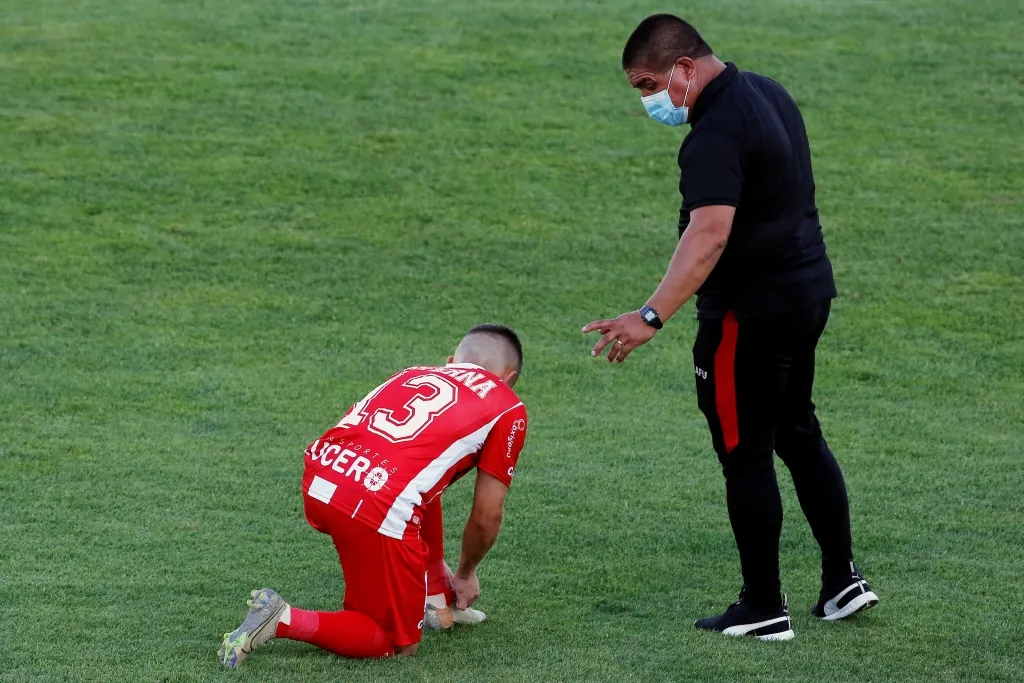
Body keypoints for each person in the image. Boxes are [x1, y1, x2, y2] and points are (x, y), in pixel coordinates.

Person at [582, 14, 878, 641]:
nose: (647, 100)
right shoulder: (767, 91)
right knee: (798, 432)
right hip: (806, 295)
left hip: (748, 316)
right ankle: (842, 582)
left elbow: (709, 232)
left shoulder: (712, 134)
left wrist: (650, 315)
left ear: (683, 70)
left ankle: (764, 606)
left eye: (647, 85)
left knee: (744, 455)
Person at [218, 324, 528, 666]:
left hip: (323, 476)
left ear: (452, 360)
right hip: (375, 508)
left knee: (420, 485)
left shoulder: (414, 372)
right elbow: (487, 518)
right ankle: (283, 618)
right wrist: (466, 573)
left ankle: (436, 599)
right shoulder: (508, 406)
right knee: (395, 642)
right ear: (508, 379)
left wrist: (440, 578)